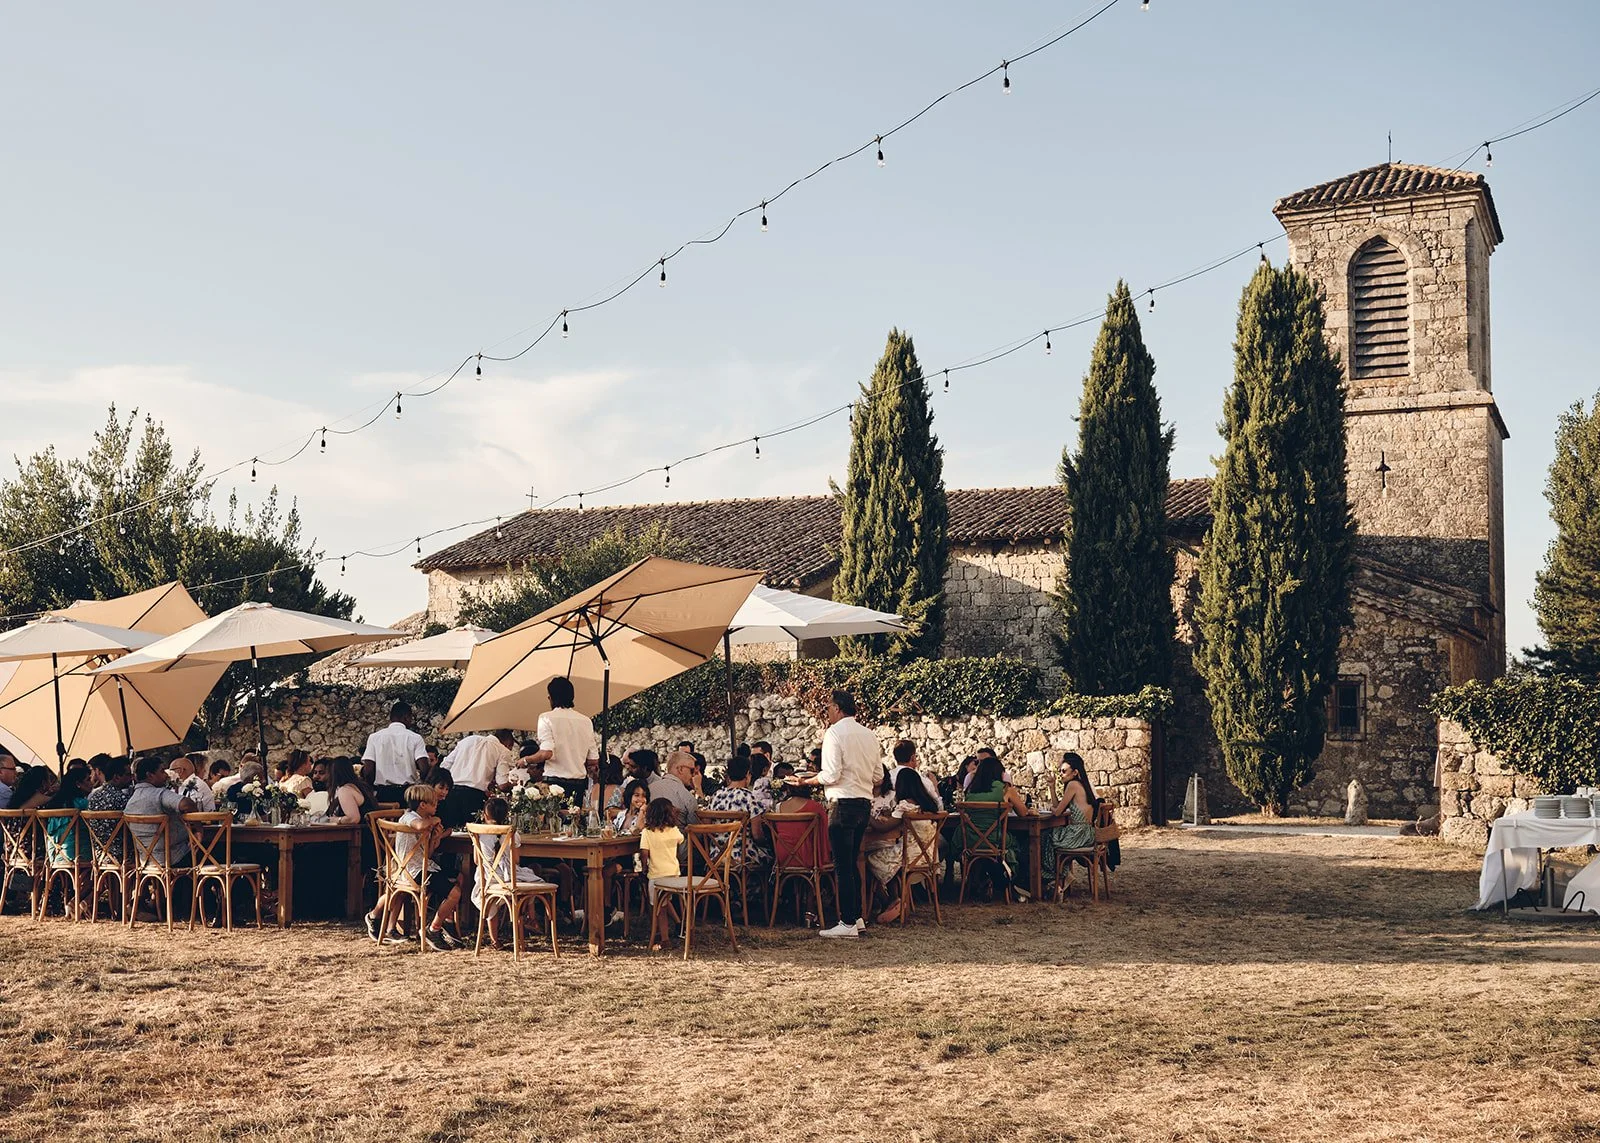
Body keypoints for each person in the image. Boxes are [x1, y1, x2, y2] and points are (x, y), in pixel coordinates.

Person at [798, 689, 879, 939]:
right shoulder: (869, 734)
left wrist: (807, 781)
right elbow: (878, 776)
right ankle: (857, 917)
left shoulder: (834, 733)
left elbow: (831, 774)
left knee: (843, 866)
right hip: (863, 803)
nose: (827, 713)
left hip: (842, 803)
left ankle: (847, 921)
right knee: (852, 862)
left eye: (828, 708)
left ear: (836, 708)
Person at [365, 782, 449, 944]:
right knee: (399, 890)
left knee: (400, 892)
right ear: (423, 805)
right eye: (434, 804)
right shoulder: (410, 817)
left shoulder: (423, 818)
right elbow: (420, 825)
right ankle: (374, 916)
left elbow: (426, 853)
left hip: (412, 867)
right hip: (402, 868)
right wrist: (435, 819)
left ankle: (388, 927)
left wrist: (435, 839)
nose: (437, 806)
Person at [469, 797, 554, 948]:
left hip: (487, 880)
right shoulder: (512, 833)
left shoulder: (479, 834)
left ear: (485, 815)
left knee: (493, 902)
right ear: (506, 815)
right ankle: (530, 917)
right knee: (531, 878)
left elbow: (476, 860)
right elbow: (516, 860)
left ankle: (495, 941)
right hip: (509, 879)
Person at [867, 766, 942, 923]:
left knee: (868, 859)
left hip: (907, 856)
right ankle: (894, 900)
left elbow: (882, 828)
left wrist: (867, 814)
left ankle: (888, 900)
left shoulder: (905, 806)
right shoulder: (929, 805)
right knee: (887, 857)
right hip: (928, 856)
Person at [962, 752, 1033, 900]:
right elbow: (1022, 813)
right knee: (1021, 841)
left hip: (971, 840)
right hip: (995, 839)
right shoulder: (1005, 789)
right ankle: (1018, 881)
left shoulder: (970, 790)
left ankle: (979, 880)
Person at [527, 677, 598, 804]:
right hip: (578, 783)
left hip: (553, 782)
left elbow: (546, 753)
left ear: (551, 698)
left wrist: (526, 760)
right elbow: (593, 760)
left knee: (552, 816)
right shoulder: (586, 721)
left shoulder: (546, 718)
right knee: (573, 815)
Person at [124, 755, 196, 866]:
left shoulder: (130, 802)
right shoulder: (159, 794)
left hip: (146, 861)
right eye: (162, 771)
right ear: (150, 775)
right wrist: (199, 828)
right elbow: (186, 804)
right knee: (219, 850)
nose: (166, 775)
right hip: (174, 858)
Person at [707, 753, 769, 871]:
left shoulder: (716, 796)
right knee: (769, 856)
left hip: (716, 856)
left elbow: (706, 826)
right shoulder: (750, 798)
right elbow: (757, 835)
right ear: (747, 774)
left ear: (728, 775)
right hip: (742, 856)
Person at [440, 729, 514, 826]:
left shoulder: (467, 740)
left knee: (450, 829)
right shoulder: (502, 750)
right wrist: (513, 785)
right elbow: (502, 785)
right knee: (473, 831)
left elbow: (444, 766)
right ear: (508, 744)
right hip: (474, 797)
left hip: (452, 792)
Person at [361, 701, 429, 805]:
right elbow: (424, 768)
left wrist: (371, 789)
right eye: (411, 718)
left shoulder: (374, 737)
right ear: (406, 717)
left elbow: (369, 770)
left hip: (383, 792)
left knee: (385, 815)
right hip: (408, 793)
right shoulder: (415, 738)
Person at [640, 797, 684, 952]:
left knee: (659, 909)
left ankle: (664, 938)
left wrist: (644, 868)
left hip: (656, 875)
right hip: (673, 874)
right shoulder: (674, 830)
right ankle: (679, 924)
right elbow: (680, 841)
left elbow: (644, 853)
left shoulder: (647, 832)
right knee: (664, 901)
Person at [84, 755, 134, 852]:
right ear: (116, 777)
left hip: (100, 854)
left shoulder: (93, 797)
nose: (131, 778)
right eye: (128, 775)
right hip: (124, 854)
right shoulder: (122, 798)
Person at [648, 751, 699, 826]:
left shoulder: (648, 788)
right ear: (680, 769)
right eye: (692, 771)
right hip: (678, 833)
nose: (694, 775)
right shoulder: (687, 796)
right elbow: (694, 829)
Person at [888, 740, 943, 809]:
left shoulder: (888, 776)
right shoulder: (921, 779)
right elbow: (939, 807)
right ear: (913, 758)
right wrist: (935, 786)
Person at [325, 757, 371, 825]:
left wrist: (336, 820)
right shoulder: (361, 786)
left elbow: (353, 819)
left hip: (361, 830)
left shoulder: (345, 790)